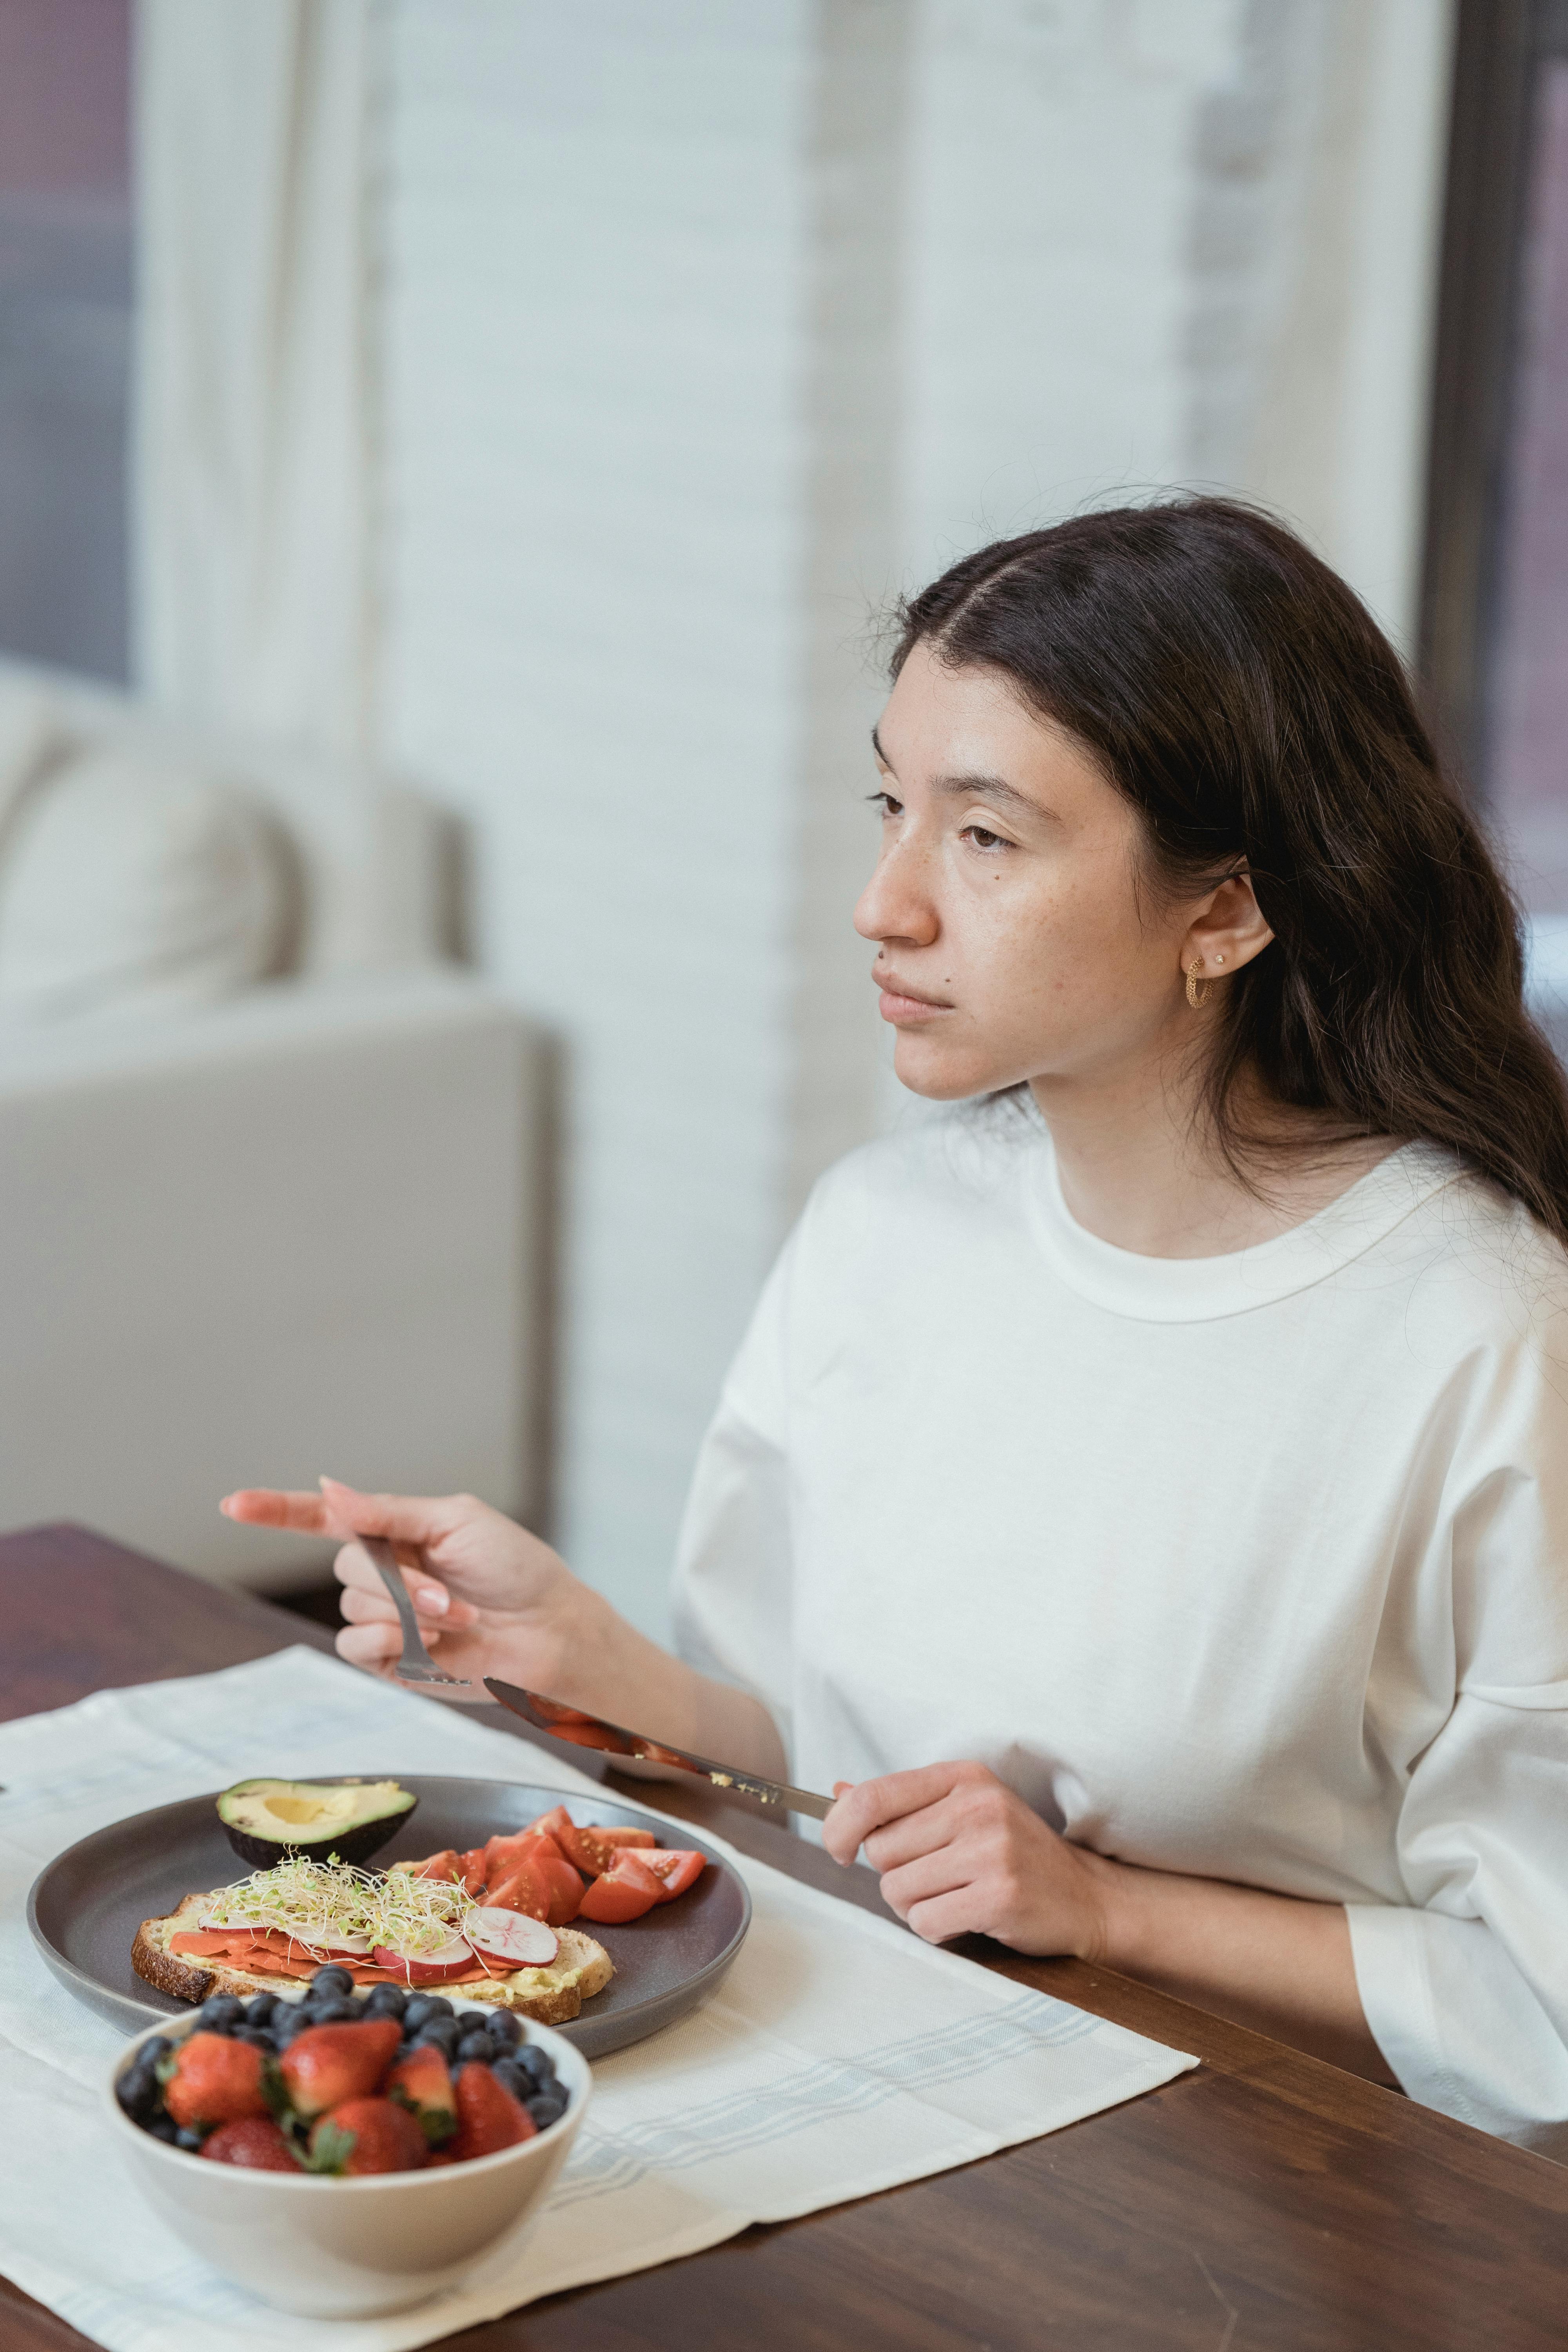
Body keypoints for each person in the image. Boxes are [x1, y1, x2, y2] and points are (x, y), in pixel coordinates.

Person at [225, 498, 1568, 2151]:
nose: (885, 903)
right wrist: (582, 1663)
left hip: (1258, 2191)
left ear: (1224, 907)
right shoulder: (884, 1229)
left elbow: (1541, 2007)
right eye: (892, 806)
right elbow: (814, 1772)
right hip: (880, 2086)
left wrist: (1109, 1907)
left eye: (985, 838)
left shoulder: (1478, 1336)